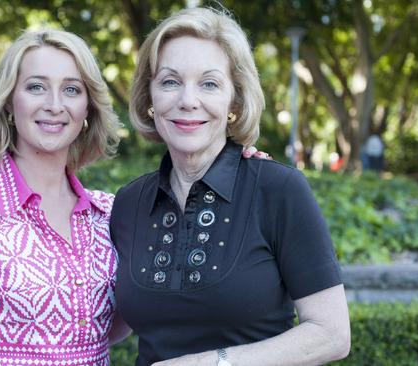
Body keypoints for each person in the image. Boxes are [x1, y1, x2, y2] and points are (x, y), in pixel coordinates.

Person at [110, 7, 351, 366]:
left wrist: (210, 363)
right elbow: (109, 323)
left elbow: (331, 334)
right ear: (149, 99)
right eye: (170, 81)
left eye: (209, 83)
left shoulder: (278, 189)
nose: (188, 100)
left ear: (233, 100)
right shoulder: (129, 202)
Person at [0, 29, 127, 365]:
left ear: (88, 107)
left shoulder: (110, 214)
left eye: (72, 90)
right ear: (8, 101)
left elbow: (120, 323)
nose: (54, 105)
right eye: (36, 87)